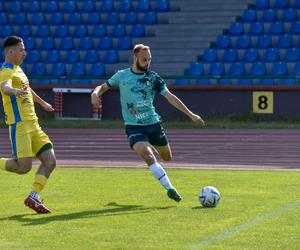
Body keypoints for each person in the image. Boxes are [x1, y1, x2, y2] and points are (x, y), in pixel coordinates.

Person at [91, 44, 204, 202]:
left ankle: (152, 149)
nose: (147, 63)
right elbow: (102, 87)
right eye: (144, 60)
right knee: (148, 156)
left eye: (149, 59)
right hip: (134, 127)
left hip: (153, 124)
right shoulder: (121, 76)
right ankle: (170, 189)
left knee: (167, 157)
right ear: (135, 58)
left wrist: (190, 114)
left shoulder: (153, 78)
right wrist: (95, 93)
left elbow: (170, 97)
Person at [0, 36, 56, 213]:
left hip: (34, 124)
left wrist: (42, 103)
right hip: (20, 125)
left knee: (50, 160)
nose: (25, 52)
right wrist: (13, 91)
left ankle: (34, 196)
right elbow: (5, 86)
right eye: (21, 49)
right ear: (11, 51)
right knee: (23, 167)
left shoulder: (18, 69)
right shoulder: (6, 70)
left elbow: (27, 89)